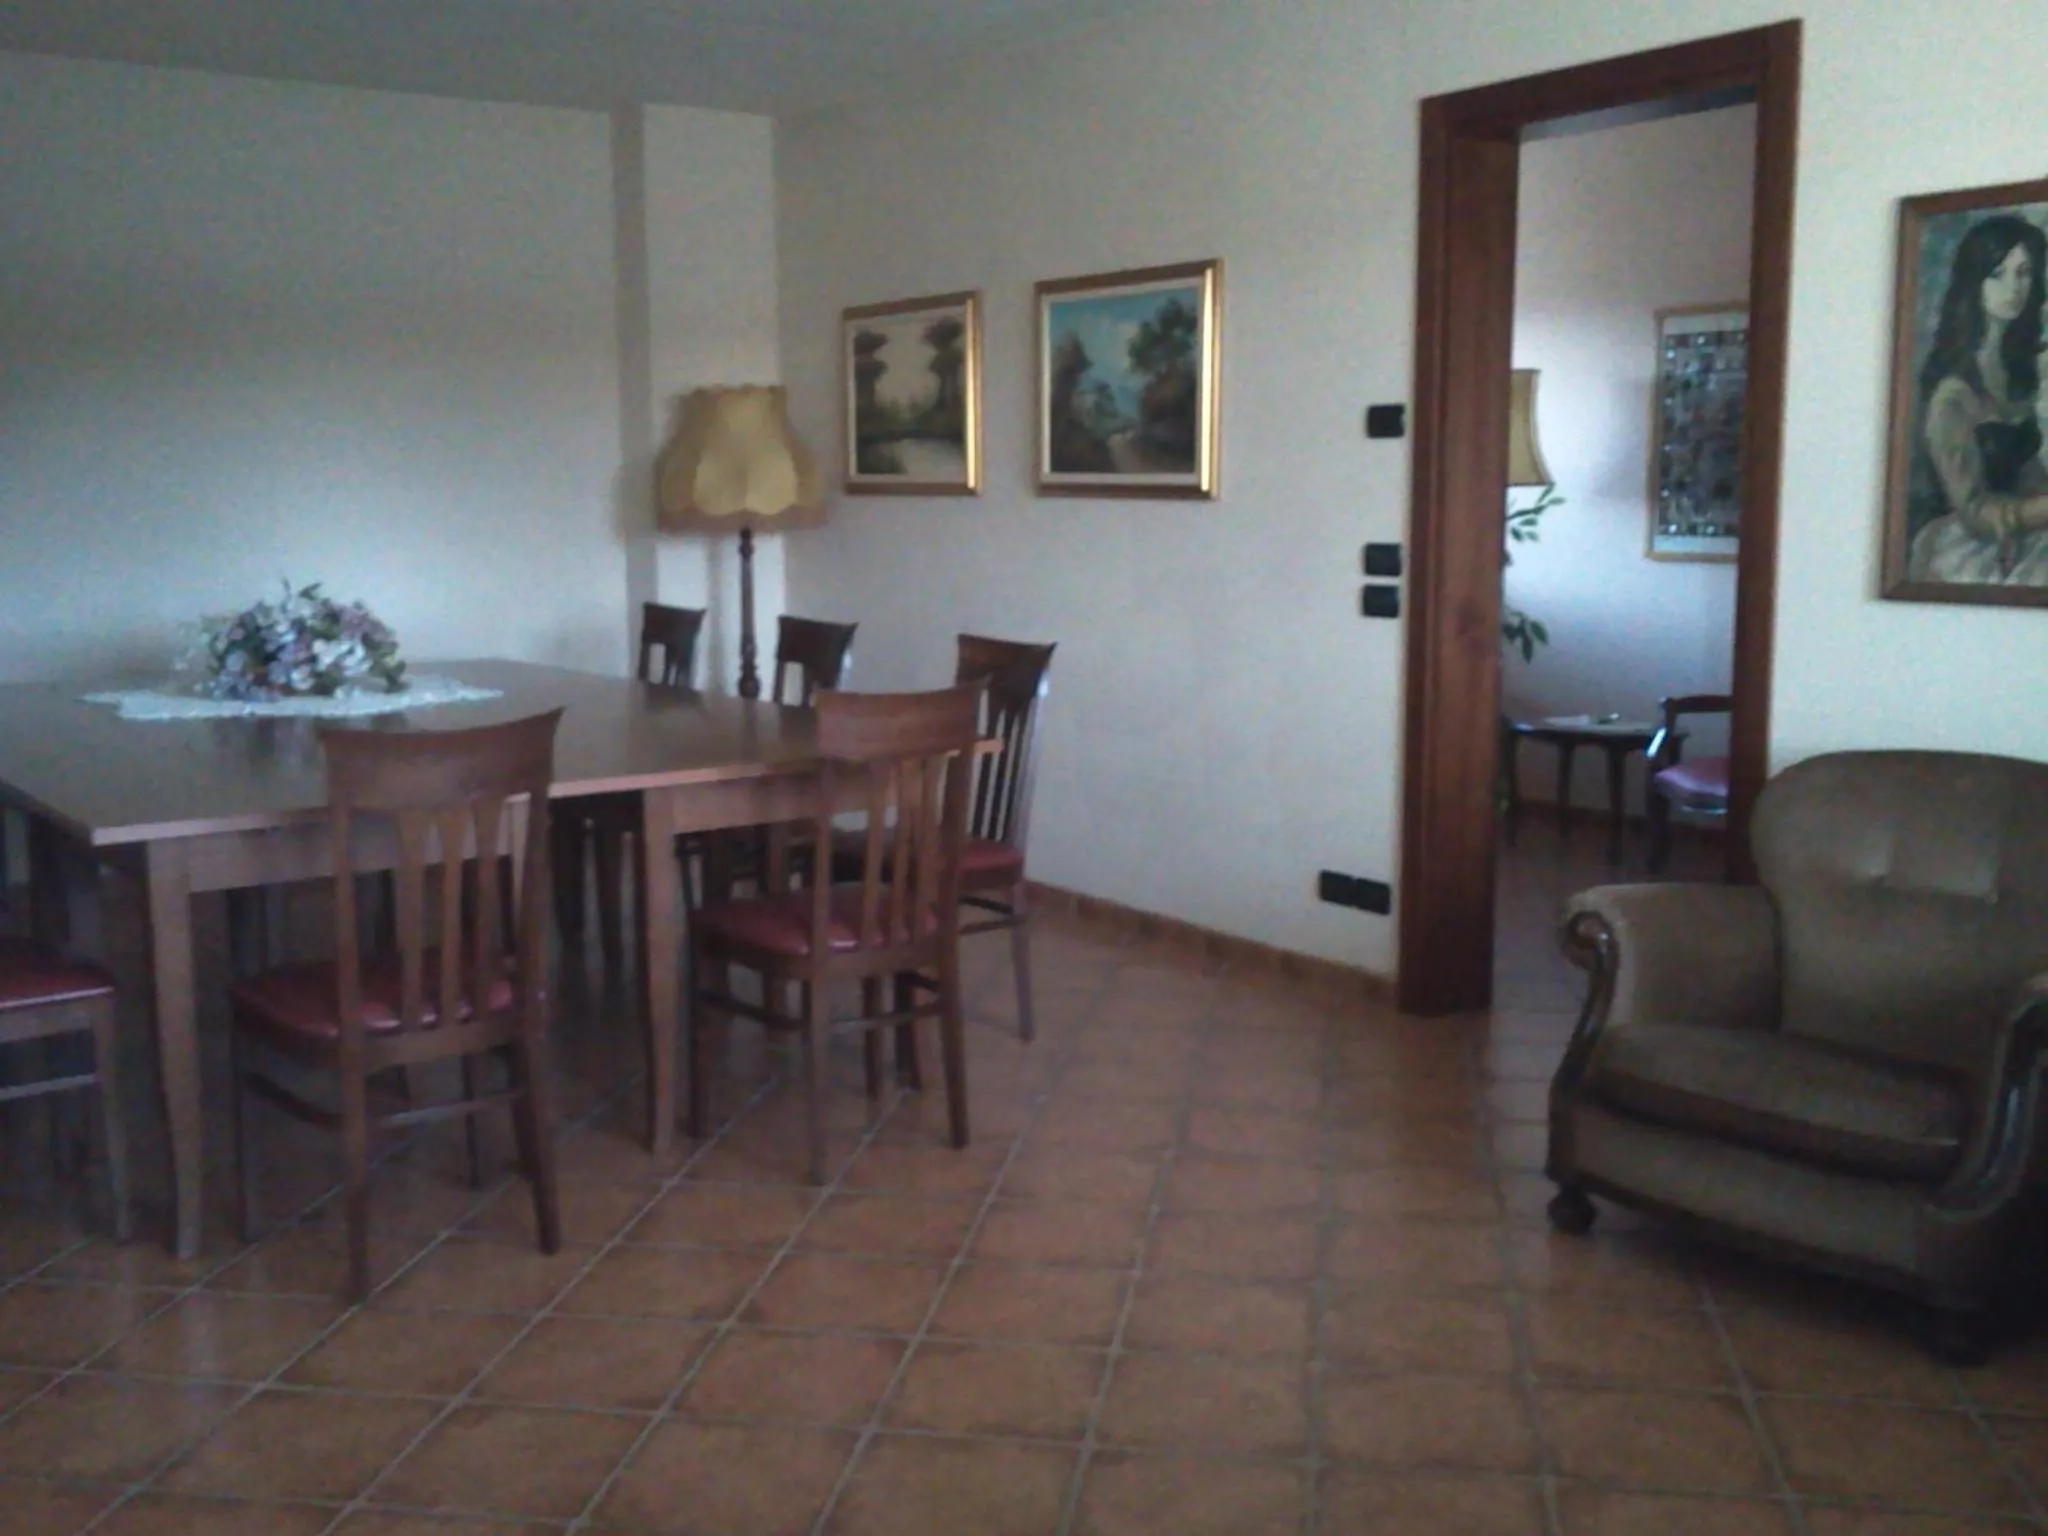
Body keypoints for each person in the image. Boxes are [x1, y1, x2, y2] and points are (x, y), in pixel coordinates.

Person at [1906, 213, 2048, 586]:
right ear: (1974, 281)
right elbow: (1974, 510)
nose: (2014, 288)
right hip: (1969, 543)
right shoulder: (1952, 394)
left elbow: (2029, 469)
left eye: (2024, 273)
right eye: (1997, 274)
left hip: (2025, 530)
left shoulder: (2021, 370)